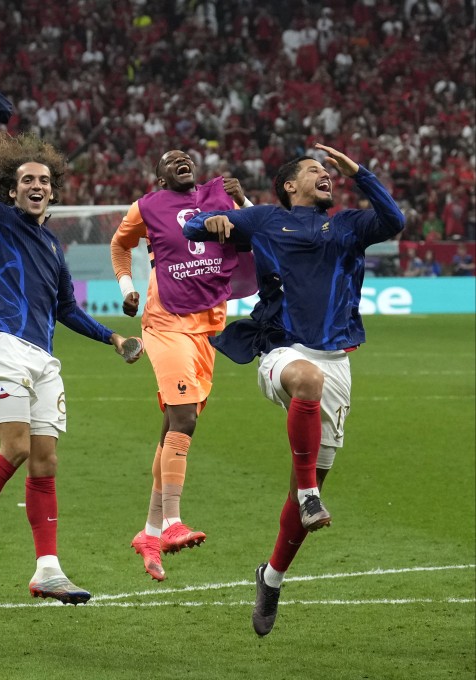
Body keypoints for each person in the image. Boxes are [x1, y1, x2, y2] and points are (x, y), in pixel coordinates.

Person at [183, 143, 405, 636]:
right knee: (307, 381)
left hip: (336, 360)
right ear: (289, 186)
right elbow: (189, 227)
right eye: (314, 170)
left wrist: (360, 173)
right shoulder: (263, 220)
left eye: (329, 171)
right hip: (282, 348)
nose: (325, 174)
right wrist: (211, 223)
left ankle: (272, 576)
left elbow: (394, 221)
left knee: (313, 477)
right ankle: (307, 493)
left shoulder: (349, 224)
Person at [0, 86, 143, 605]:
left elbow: (66, 309)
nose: (37, 185)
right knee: (15, 446)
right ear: (12, 190)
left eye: (45, 180)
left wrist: (114, 338)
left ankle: (47, 569)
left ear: (53, 191)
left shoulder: (54, 245)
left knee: (45, 460)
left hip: (40, 356)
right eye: (28, 179)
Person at [110, 150, 254, 582]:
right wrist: (126, 285)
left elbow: (260, 231)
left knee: (173, 426)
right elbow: (120, 244)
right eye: (171, 160)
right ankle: (172, 521)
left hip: (208, 326)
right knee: (184, 418)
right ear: (159, 176)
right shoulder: (147, 207)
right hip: (165, 321)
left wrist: (243, 201)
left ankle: (149, 533)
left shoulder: (219, 195)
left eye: (186, 158)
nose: (181, 161)